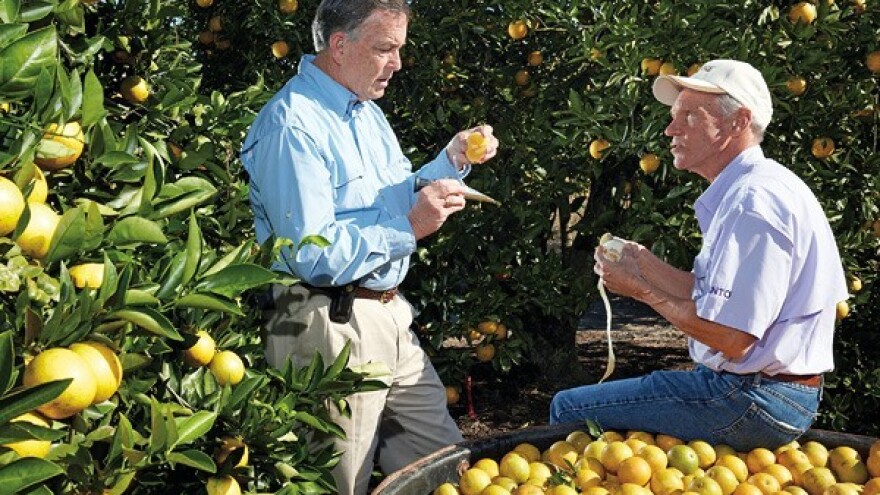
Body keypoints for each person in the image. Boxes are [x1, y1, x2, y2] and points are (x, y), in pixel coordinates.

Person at [239, 1, 499, 493]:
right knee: (340, 481)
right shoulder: (293, 125)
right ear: (340, 46)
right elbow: (310, 255)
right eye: (386, 49)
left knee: (443, 466)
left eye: (399, 48)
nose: (397, 63)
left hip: (387, 317)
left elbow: (396, 197)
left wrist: (451, 159)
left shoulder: (365, 115)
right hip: (327, 326)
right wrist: (410, 228)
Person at [549, 59, 847, 451]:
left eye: (689, 117)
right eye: (674, 116)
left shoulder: (752, 203)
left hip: (751, 401)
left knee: (568, 408)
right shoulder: (756, 188)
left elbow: (732, 336)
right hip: (765, 394)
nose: (671, 129)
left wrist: (639, 289)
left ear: (739, 121)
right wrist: (644, 263)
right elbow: (717, 298)